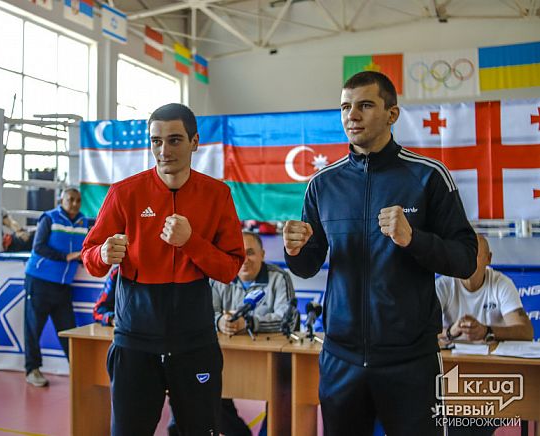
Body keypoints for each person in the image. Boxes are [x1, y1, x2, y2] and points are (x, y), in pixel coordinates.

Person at [283, 71, 477, 436]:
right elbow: (308, 266)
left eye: (365, 105)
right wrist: (294, 251)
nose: (352, 116)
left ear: (392, 114)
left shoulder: (428, 176)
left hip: (410, 361)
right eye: (345, 107)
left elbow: (466, 258)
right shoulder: (323, 184)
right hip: (341, 358)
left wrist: (413, 239)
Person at [82, 103, 245, 435]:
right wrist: (103, 253)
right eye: (156, 141)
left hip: (194, 342)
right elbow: (90, 258)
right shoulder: (124, 193)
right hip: (135, 341)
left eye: (174, 140)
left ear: (195, 142)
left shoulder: (217, 195)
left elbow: (230, 269)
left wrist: (191, 242)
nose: (163, 150)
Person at [211, 230, 295, 436]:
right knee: (208, 393)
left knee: (283, 398)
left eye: (250, 253)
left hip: (274, 361)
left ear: (262, 254)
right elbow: (203, 314)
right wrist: (220, 321)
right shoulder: (219, 277)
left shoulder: (279, 278)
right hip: (226, 358)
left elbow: (288, 320)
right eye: (239, 253)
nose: (244, 259)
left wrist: (248, 323)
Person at [23, 188, 87, 387]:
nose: (74, 203)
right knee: (33, 328)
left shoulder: (84, 222)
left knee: (68, 331)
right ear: (61, 200)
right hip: (40, 281)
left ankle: (78, 372)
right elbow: (38, 247)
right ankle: (32, 370)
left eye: (78, 200)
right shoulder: (49, 218)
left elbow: (85, 249)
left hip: (63, 286)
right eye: (70, 199)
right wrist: (66, 257)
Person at [437, 235, 533, 343]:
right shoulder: (443, 285)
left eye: (474, 255)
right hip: (452, 353)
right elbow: (422, 329)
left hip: (492, 352)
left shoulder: (501, 284)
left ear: (488, 258)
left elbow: (526, 332)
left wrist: (487, 331)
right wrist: (450, 332)